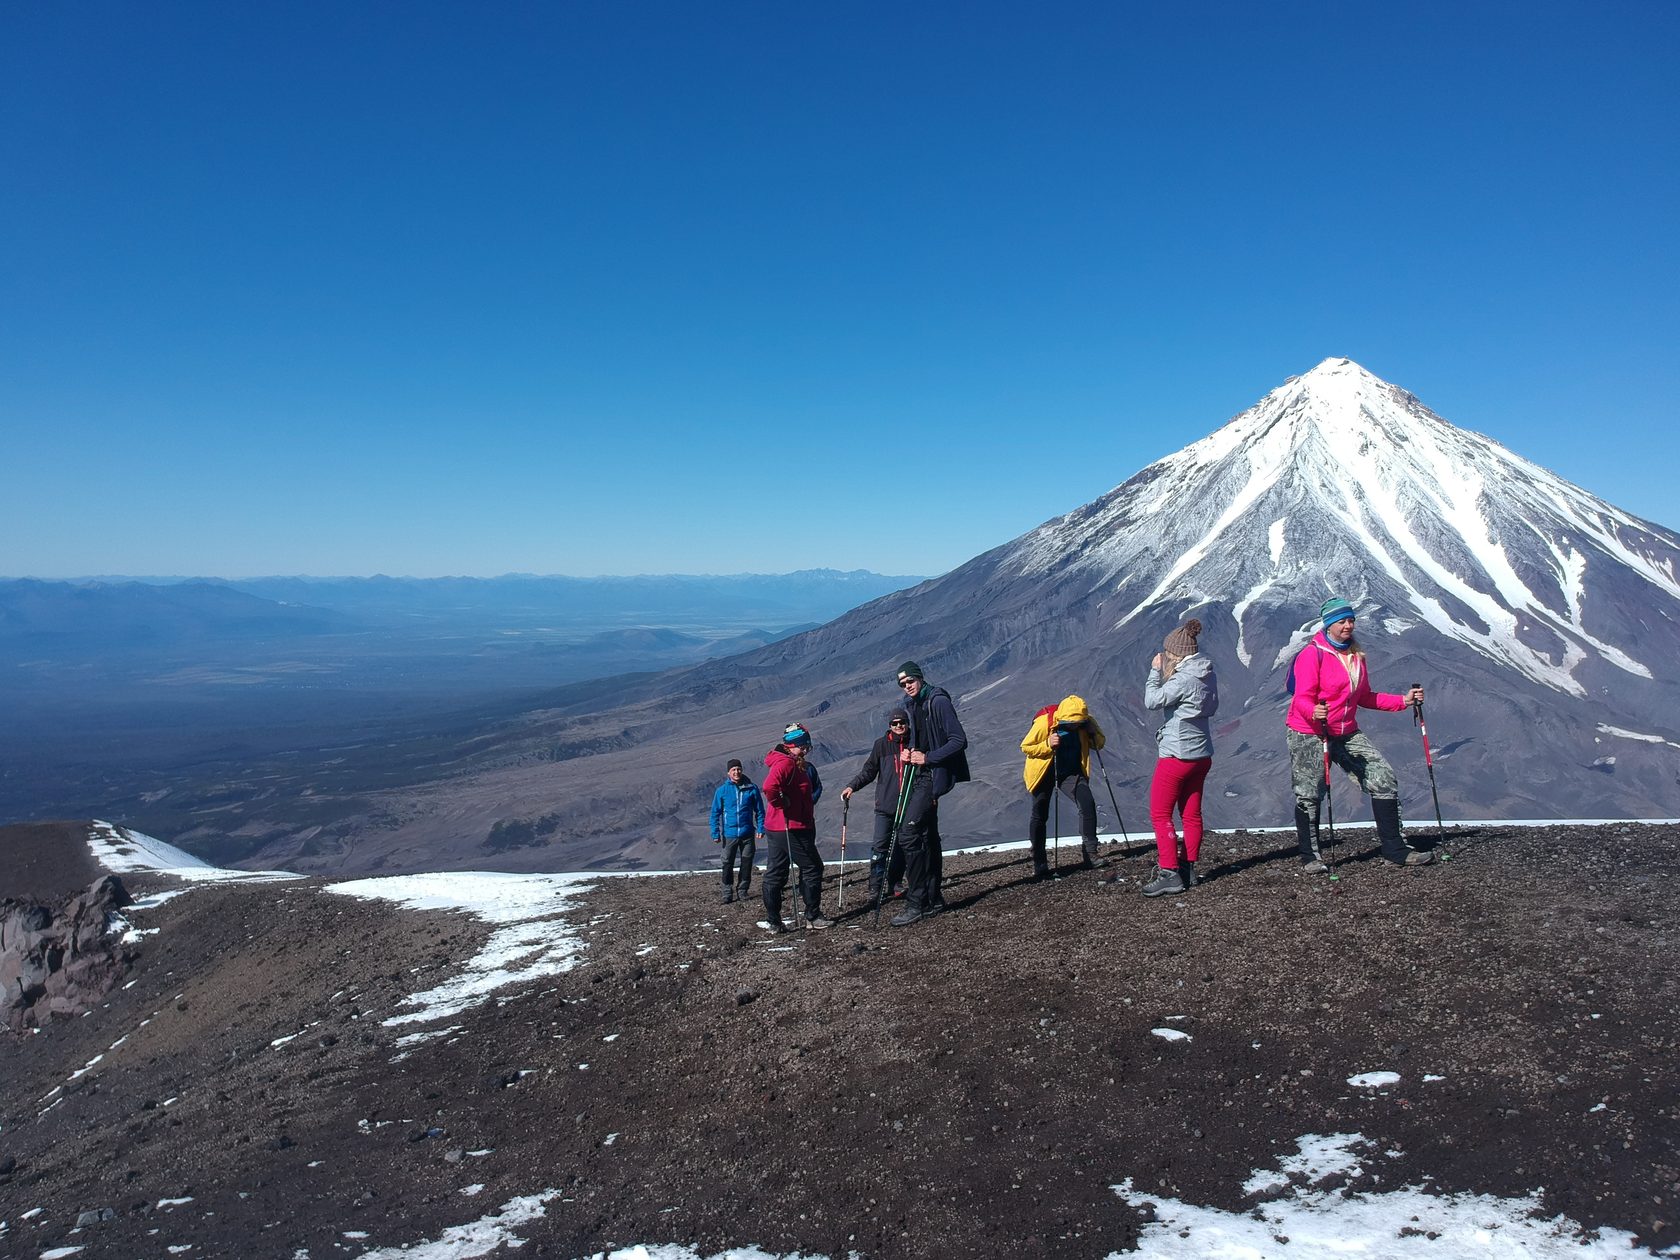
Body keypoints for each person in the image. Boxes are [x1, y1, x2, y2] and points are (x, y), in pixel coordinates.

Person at [1286, 597, 1434, 868]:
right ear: (1329, 624)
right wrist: (1314, 713)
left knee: (1383, 777)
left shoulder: (1356, 656)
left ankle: (1395, 849)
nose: (1348, 625)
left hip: (1345, 731)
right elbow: (1301, 698)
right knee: (1309, 792)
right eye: (1341, 621)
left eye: (1351, 620)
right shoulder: (1312, 654)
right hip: (1310, 731)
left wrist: (1404, 701)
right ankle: (1311, 857)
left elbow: (1364, 696)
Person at [1141, 619, 1218, 896]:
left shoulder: (1183, 679)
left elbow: (1152, 701)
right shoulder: (1207, 673)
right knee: (1192, 813)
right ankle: (1188, 869)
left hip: (1177, 754)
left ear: (1175, 653)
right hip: (1202, 754)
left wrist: (1154, 672)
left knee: (1161, 813)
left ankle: (1169, 872)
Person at [890, 661, 970, 927]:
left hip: (931, 775)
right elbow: (922, 738)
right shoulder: (913, 704)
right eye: (902, 684)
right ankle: (933, 899)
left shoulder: (938, 702)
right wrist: (910, 752)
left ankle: (917, 902)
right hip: (922, 773)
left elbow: (959, 740)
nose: (907, 687)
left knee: (909, 833)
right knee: (926, 836)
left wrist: (928, 758)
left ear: (920, 678)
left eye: (910, 681)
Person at [1020, 695, 1107, 878]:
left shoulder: (1086, 721)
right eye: (1071, 723)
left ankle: (1090, 853)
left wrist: (1092, 732)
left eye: (1078, 723)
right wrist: (1047, 744)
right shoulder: (1045, 722)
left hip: (1070, 772)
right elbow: (1026, 746)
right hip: (1044, 772)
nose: (1075, 726)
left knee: (1087, 803)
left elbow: (1099, 744)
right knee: (1040, 813)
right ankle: (1039, 861)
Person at [761, 724, 833, 932]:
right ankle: (812, 916)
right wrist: (780, 803)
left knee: (775, 872)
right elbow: (769, 787)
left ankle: (774, 921)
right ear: (794, 745)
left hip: (778, 827)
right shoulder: (786, 764)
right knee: (812, 867)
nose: (806, 750)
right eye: (803, 746)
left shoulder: (789, 761)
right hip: (791, 826)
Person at [841, 708, 911, 901]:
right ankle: (875, 886)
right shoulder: (881, 746)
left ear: (907, 723)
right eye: (894, 723)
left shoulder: (915, 743)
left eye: (902, 722)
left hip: (908, 805)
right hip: (885, 806)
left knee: (901, 846)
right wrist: (852, 786)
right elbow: (869, 771)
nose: (899, 726)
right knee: (880, 847)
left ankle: (895, 883)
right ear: (889, 726)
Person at [709, 758, 765, 904]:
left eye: (738, 769)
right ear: (728, 773)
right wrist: (715, 832)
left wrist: (760, 827)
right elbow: (715, 813)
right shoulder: (722, 791)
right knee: (727, 863)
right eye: (733, 770)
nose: (736, 772)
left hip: (747, 833)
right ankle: (727, 892)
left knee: (747, 863)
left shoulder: (751, 789)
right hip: (730, 834)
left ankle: (743, 890)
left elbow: (759, 810)